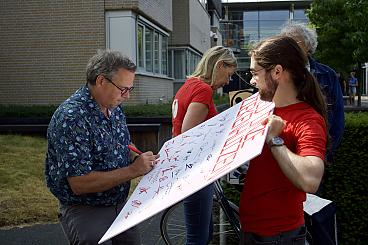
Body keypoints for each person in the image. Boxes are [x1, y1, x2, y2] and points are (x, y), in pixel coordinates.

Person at [45, 50, 159, 245]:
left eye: (130, 89)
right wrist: (134, 170)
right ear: (101, 81)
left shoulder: (112, 106)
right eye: (123, 89)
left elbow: (121, 144)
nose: (127, 96)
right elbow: (80, 183)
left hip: (119, 204)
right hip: (86, 210)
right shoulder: (72, 117)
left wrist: (135, 156)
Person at [239, 35, 328, 244]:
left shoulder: (307, 119)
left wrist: (274, 140)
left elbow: (311, 179)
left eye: (255, 73)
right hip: (252, 228)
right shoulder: (262, 109)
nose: (252, 81)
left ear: (277, 72)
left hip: (278, 236)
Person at [171, 46, 237, 244]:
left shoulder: (188, 85)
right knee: (198, 239)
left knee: (202, 234)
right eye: (228, 74)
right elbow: (189, 134)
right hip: (196, 170)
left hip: (186, 167)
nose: (228, 81)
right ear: (219, 65)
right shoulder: (203, 89)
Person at [280, 21, 344, 163]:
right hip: (283, 151)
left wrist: (326, 151)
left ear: (308, 46)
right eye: (287, 43)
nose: (291, 47)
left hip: (316, 150)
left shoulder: (327, 74)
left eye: (296, 42)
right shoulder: (277, 74)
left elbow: (338, 118)